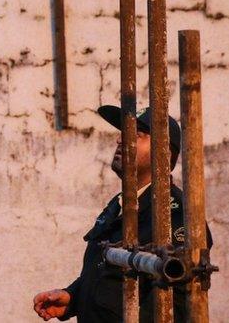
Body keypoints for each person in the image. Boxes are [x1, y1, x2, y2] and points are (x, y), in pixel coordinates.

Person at [32, 105, 212, 322]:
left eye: (137, 134)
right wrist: (73, 297)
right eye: (123, 133)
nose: (121, 140)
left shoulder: (177, 216)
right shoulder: (120, 205)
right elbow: (106, 276)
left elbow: (176, 307)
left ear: (165, 154)